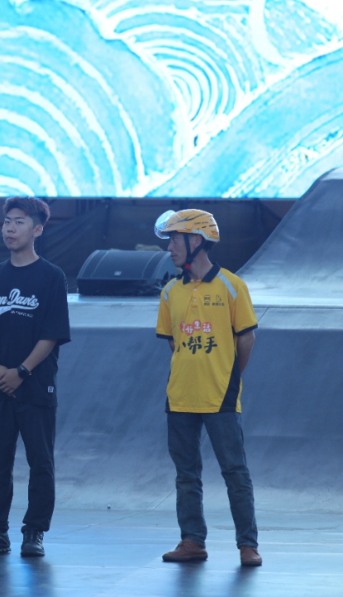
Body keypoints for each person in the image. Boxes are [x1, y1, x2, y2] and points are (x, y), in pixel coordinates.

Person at [0, 196, 70, 557]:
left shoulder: (51, 276)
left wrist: (22, 371)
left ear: (37, 230)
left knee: (40, 462)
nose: (10, 228)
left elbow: (52, 334)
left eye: (19, 222)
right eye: (7, 221)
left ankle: (34, 533)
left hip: (36, 384)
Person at [154, 209, 262, 567]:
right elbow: (174, 342)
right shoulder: (170, 291)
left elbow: (246, 338)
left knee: (235, 471)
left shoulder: (232, 285)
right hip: (180, 396)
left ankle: (247, 545)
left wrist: (229, 376)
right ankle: (192, 541)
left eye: (175, 239)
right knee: (186, 475)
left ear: (196, 240)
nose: (169, 247)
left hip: (220, 396)